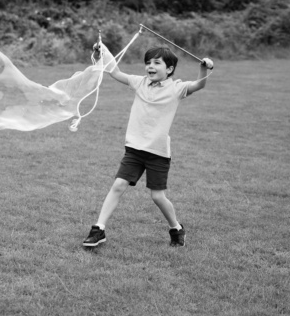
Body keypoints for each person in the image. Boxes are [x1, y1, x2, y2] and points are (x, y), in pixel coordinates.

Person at [83, 42, 214, 248]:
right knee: (118, 185)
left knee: (157, 196)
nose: (150, 66)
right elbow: (115, 72)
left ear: (169, 69)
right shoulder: (139, 82)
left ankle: (176, 228)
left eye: (156, 63)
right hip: (134, 149)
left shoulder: (177, 88)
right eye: (147, 62)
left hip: (158, 153)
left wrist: (203, 68)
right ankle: (98, 229)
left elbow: (200, 84)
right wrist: (103, 52)